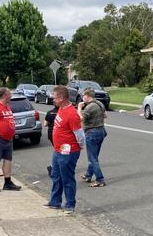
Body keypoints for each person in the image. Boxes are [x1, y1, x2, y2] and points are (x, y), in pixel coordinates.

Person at [46, 86, 84, 214]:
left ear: (62, 98)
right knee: (56, 176)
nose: (53, 99)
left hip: (68, 152)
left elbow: (79, 134)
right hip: (58, 150)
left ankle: (70, 204)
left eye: (55, 97)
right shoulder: (61, 110)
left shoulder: (72, 114)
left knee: (67, 178)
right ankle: (55, 201)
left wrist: (80, 146)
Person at [77, 88, 107, 187]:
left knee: (92, 158)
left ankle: (100, 179)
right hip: (101, 131)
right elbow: (105, 115)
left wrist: (79, 107)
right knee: (94, 156)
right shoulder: (99, 103)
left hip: (92, 132)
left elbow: (79, 119)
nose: (82, 97)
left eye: (83, 95)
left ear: (87, 95)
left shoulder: (89, 107)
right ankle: (88, 175)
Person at [43, 102, 59, 177]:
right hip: (59, 134)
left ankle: (53, 167)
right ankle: (53, 167)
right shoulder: (62, 113)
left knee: (58, 150)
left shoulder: (50, 112)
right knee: (60, 151)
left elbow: (45, 124)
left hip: (51, 133)